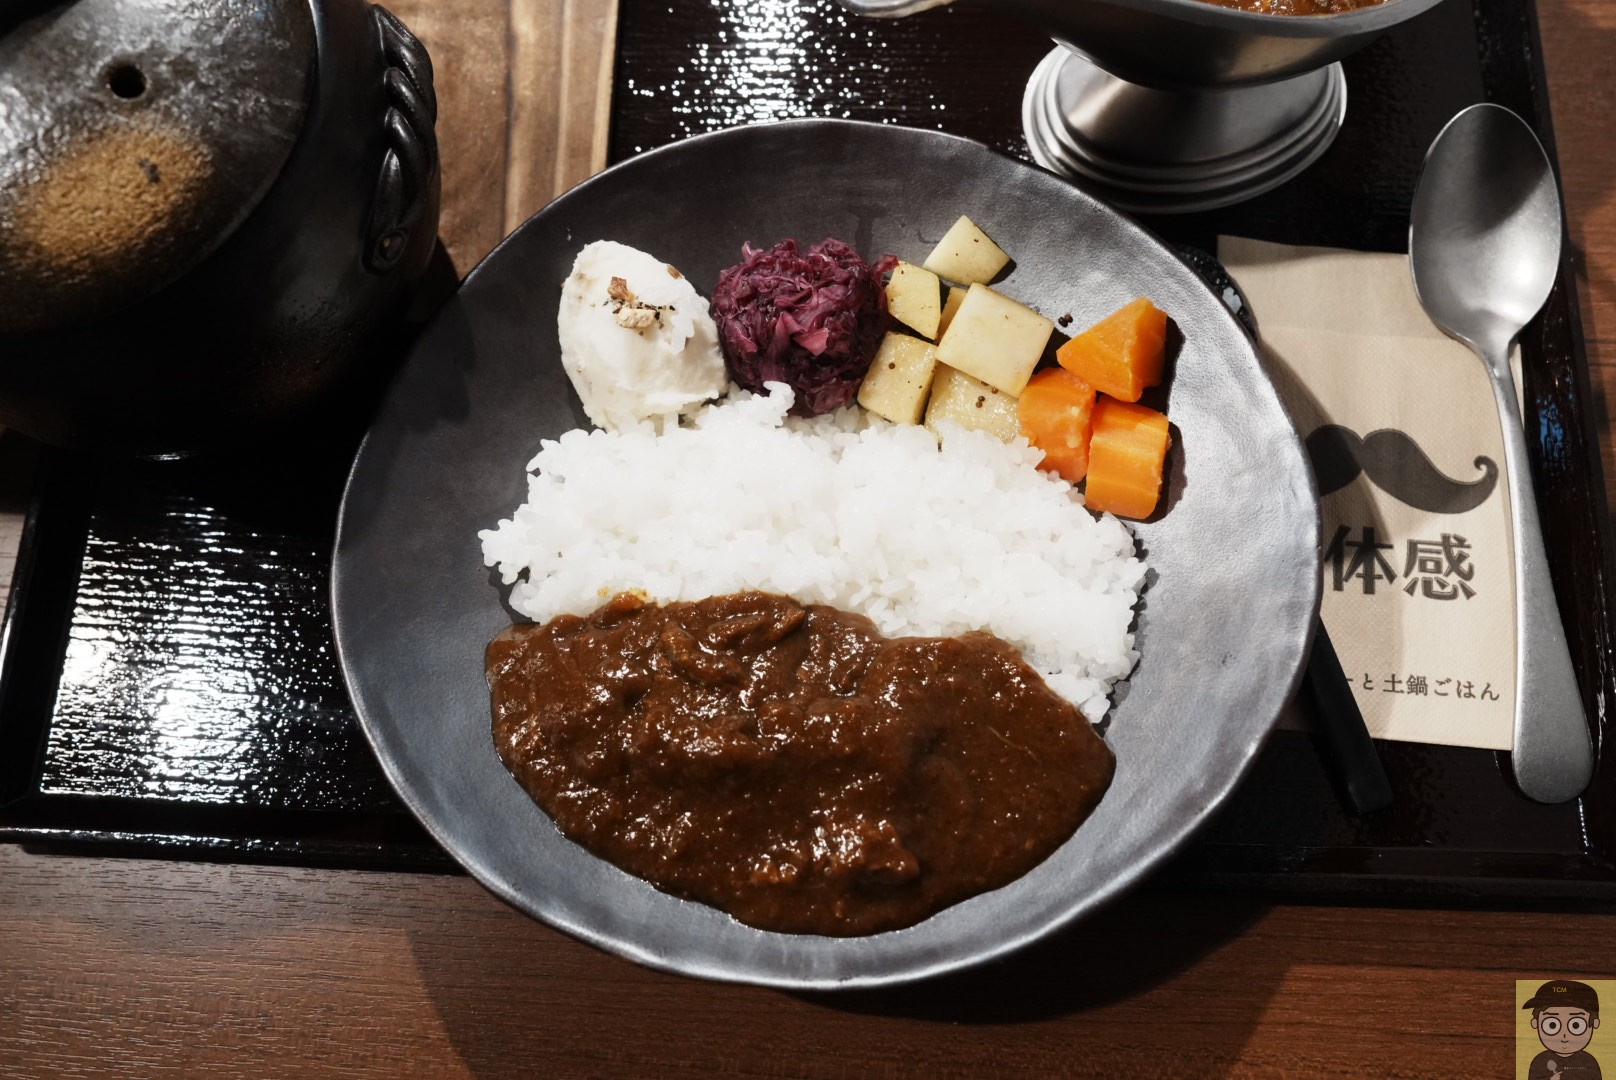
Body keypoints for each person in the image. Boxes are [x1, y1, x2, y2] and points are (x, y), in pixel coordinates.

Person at [1523, 980, 1603, 1079]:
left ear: (1595, 1023)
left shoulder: (1589, 1062)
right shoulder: (1540, 1061)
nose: (1564, 1036)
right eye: (1552, 1025)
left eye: (1576, 1025)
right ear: (1535, 1023)